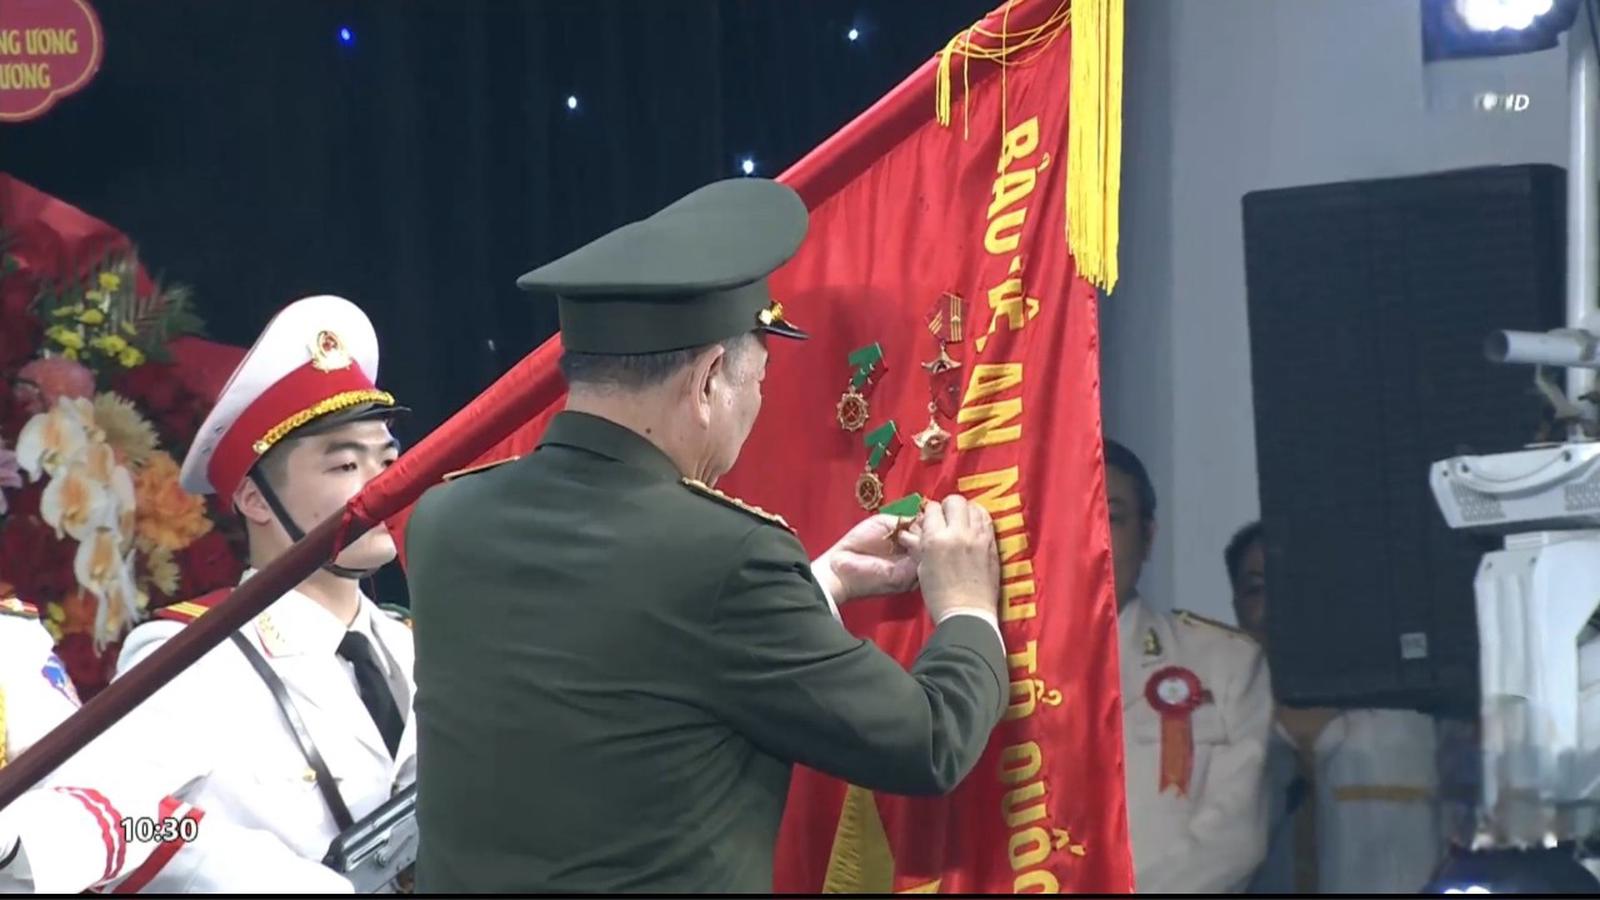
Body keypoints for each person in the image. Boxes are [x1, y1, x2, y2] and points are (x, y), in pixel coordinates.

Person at [404, 178, 1008, 893]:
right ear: (709, 379)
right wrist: (967, 605)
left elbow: (619, 660)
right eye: (760, 379)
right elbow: (930, 741)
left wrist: (819, 585)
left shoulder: (445, 521)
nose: (757, 403)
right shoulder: (727, 557)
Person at [81, 295, 411, 891]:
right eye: (345, 466)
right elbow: (121, 824)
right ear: (257, 500)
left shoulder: (412, 643)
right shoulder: (192, 654)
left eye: (389, 460)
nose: (383, 485)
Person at [1229, 521, 1443, 894]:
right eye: (1258, 589)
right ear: (1238, 609)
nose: (1281, 606)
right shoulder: (1222, 727)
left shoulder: (1411, 722)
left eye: (1299, 586)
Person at [1104, 439, 1271, 893]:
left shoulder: (1227, 663)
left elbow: (1236, 838)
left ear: (1148, 537)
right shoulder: (1004, 667)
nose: (1091, 532)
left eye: (1112, 517)